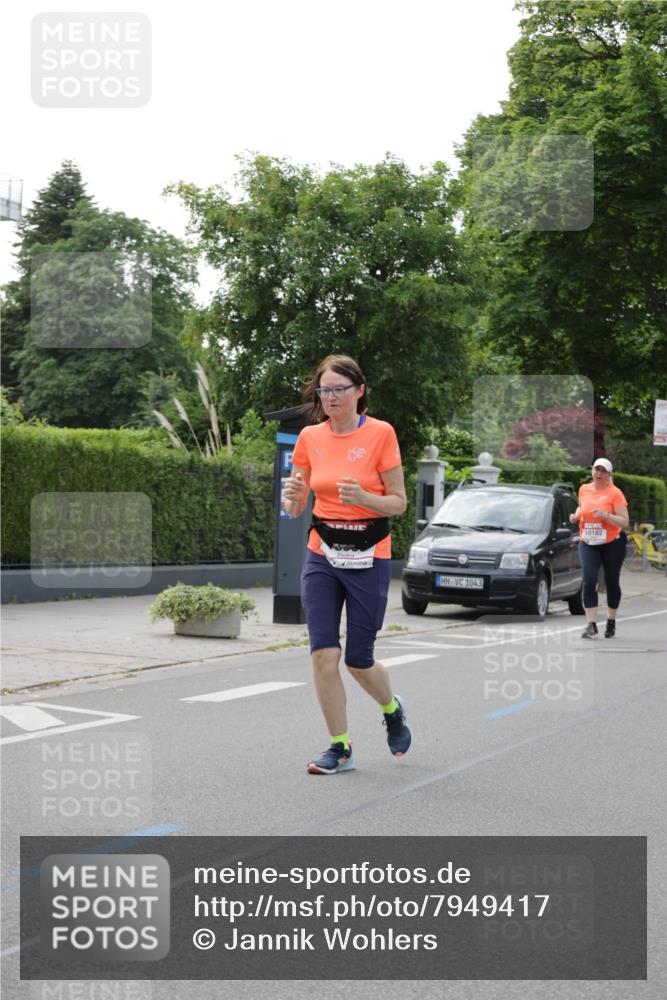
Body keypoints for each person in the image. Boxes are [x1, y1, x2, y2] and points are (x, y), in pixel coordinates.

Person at [282, 354, 411, 774]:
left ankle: (391, 709)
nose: (331, 396)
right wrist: (292, 498)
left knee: (358, 659)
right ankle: (340, 746)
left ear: (360, 390)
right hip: (323, 552)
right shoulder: (310, 438)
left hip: (369, 554)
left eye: (339, 388)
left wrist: (365, 499)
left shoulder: (381, 434)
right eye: (325, 389)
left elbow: (399, 501)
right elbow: (298, 501)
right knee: (323, 654)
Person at [569, 458, 629, 639]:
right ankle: (591, 625)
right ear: (592, 471)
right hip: (588, 541)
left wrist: (605, 515)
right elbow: (582, 508)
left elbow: (624, 521)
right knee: (588, 579)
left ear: (608, 474)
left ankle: (611, 621)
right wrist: (575, 516)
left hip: (612, 542)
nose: (599, 473)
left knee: (611, 581)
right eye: (596, 469)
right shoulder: (584, 489)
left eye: (603, 471)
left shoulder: (615, 493)